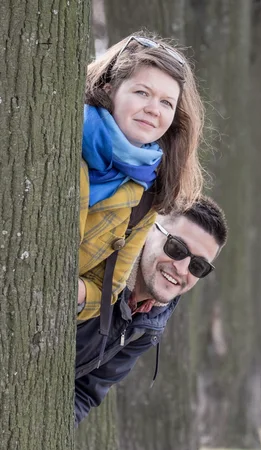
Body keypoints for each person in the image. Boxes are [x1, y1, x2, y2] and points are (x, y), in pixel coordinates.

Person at [78, 32, 206, 320]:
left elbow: (107, 290)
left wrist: (69, 292)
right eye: (142, 93)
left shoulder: (147, 189)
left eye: (166, 103)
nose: (153, 109)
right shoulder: (62, 144)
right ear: (110, 89)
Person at [75, 196, 228, 425]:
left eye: (198, 266)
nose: (181, 269)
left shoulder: (150, 322)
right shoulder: (95, 265)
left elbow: (87, 392)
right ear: (149, 230)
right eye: (176, 248)